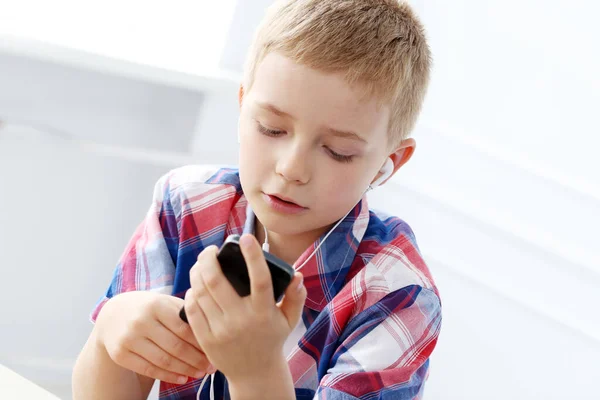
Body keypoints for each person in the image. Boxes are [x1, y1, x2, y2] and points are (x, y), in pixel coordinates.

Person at [72, 1, 442, 399]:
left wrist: (256, 371)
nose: (292, 168)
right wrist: (110, 332)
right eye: (271, 128)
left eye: (337, 151)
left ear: (388, 163)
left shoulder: (397, 293)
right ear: (242, 104)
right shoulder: (187, 205)